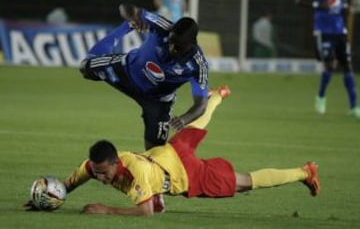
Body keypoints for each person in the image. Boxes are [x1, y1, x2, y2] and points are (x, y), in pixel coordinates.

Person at [24, 86, 321, 216]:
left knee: (246, 183)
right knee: (196, 127)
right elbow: (73, 181)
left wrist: (106, 210)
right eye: (97, 173)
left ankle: (304, 171)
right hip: (168, 152)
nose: (100, 178)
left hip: (188, 173)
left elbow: (146, 213)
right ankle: (216, 96)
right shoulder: (96, 165)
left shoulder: (134, 172)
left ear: (115, 162)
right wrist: (48, 196)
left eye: (104, 173)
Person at [80, 3, 209, 151]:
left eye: (177, 46)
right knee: (85, 67)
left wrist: (183, 119)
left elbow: (201, 104)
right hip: (126, 71)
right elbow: (126, 7)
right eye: (171, 42)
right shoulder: (163, 26)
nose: (172, 48)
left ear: (190, 45)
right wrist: (133, 18)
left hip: (157, 101)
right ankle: (122, 31)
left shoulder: (198, 65)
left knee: (155, 152)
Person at [295, 0, 360, 118]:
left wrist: (346, 8)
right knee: (330, 65)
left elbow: (343, 3)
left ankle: (354, 106)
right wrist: (318, 5)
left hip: (340, 31)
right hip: (323, 31)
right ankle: (321, 96)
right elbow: (299, 1)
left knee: (347, 66)